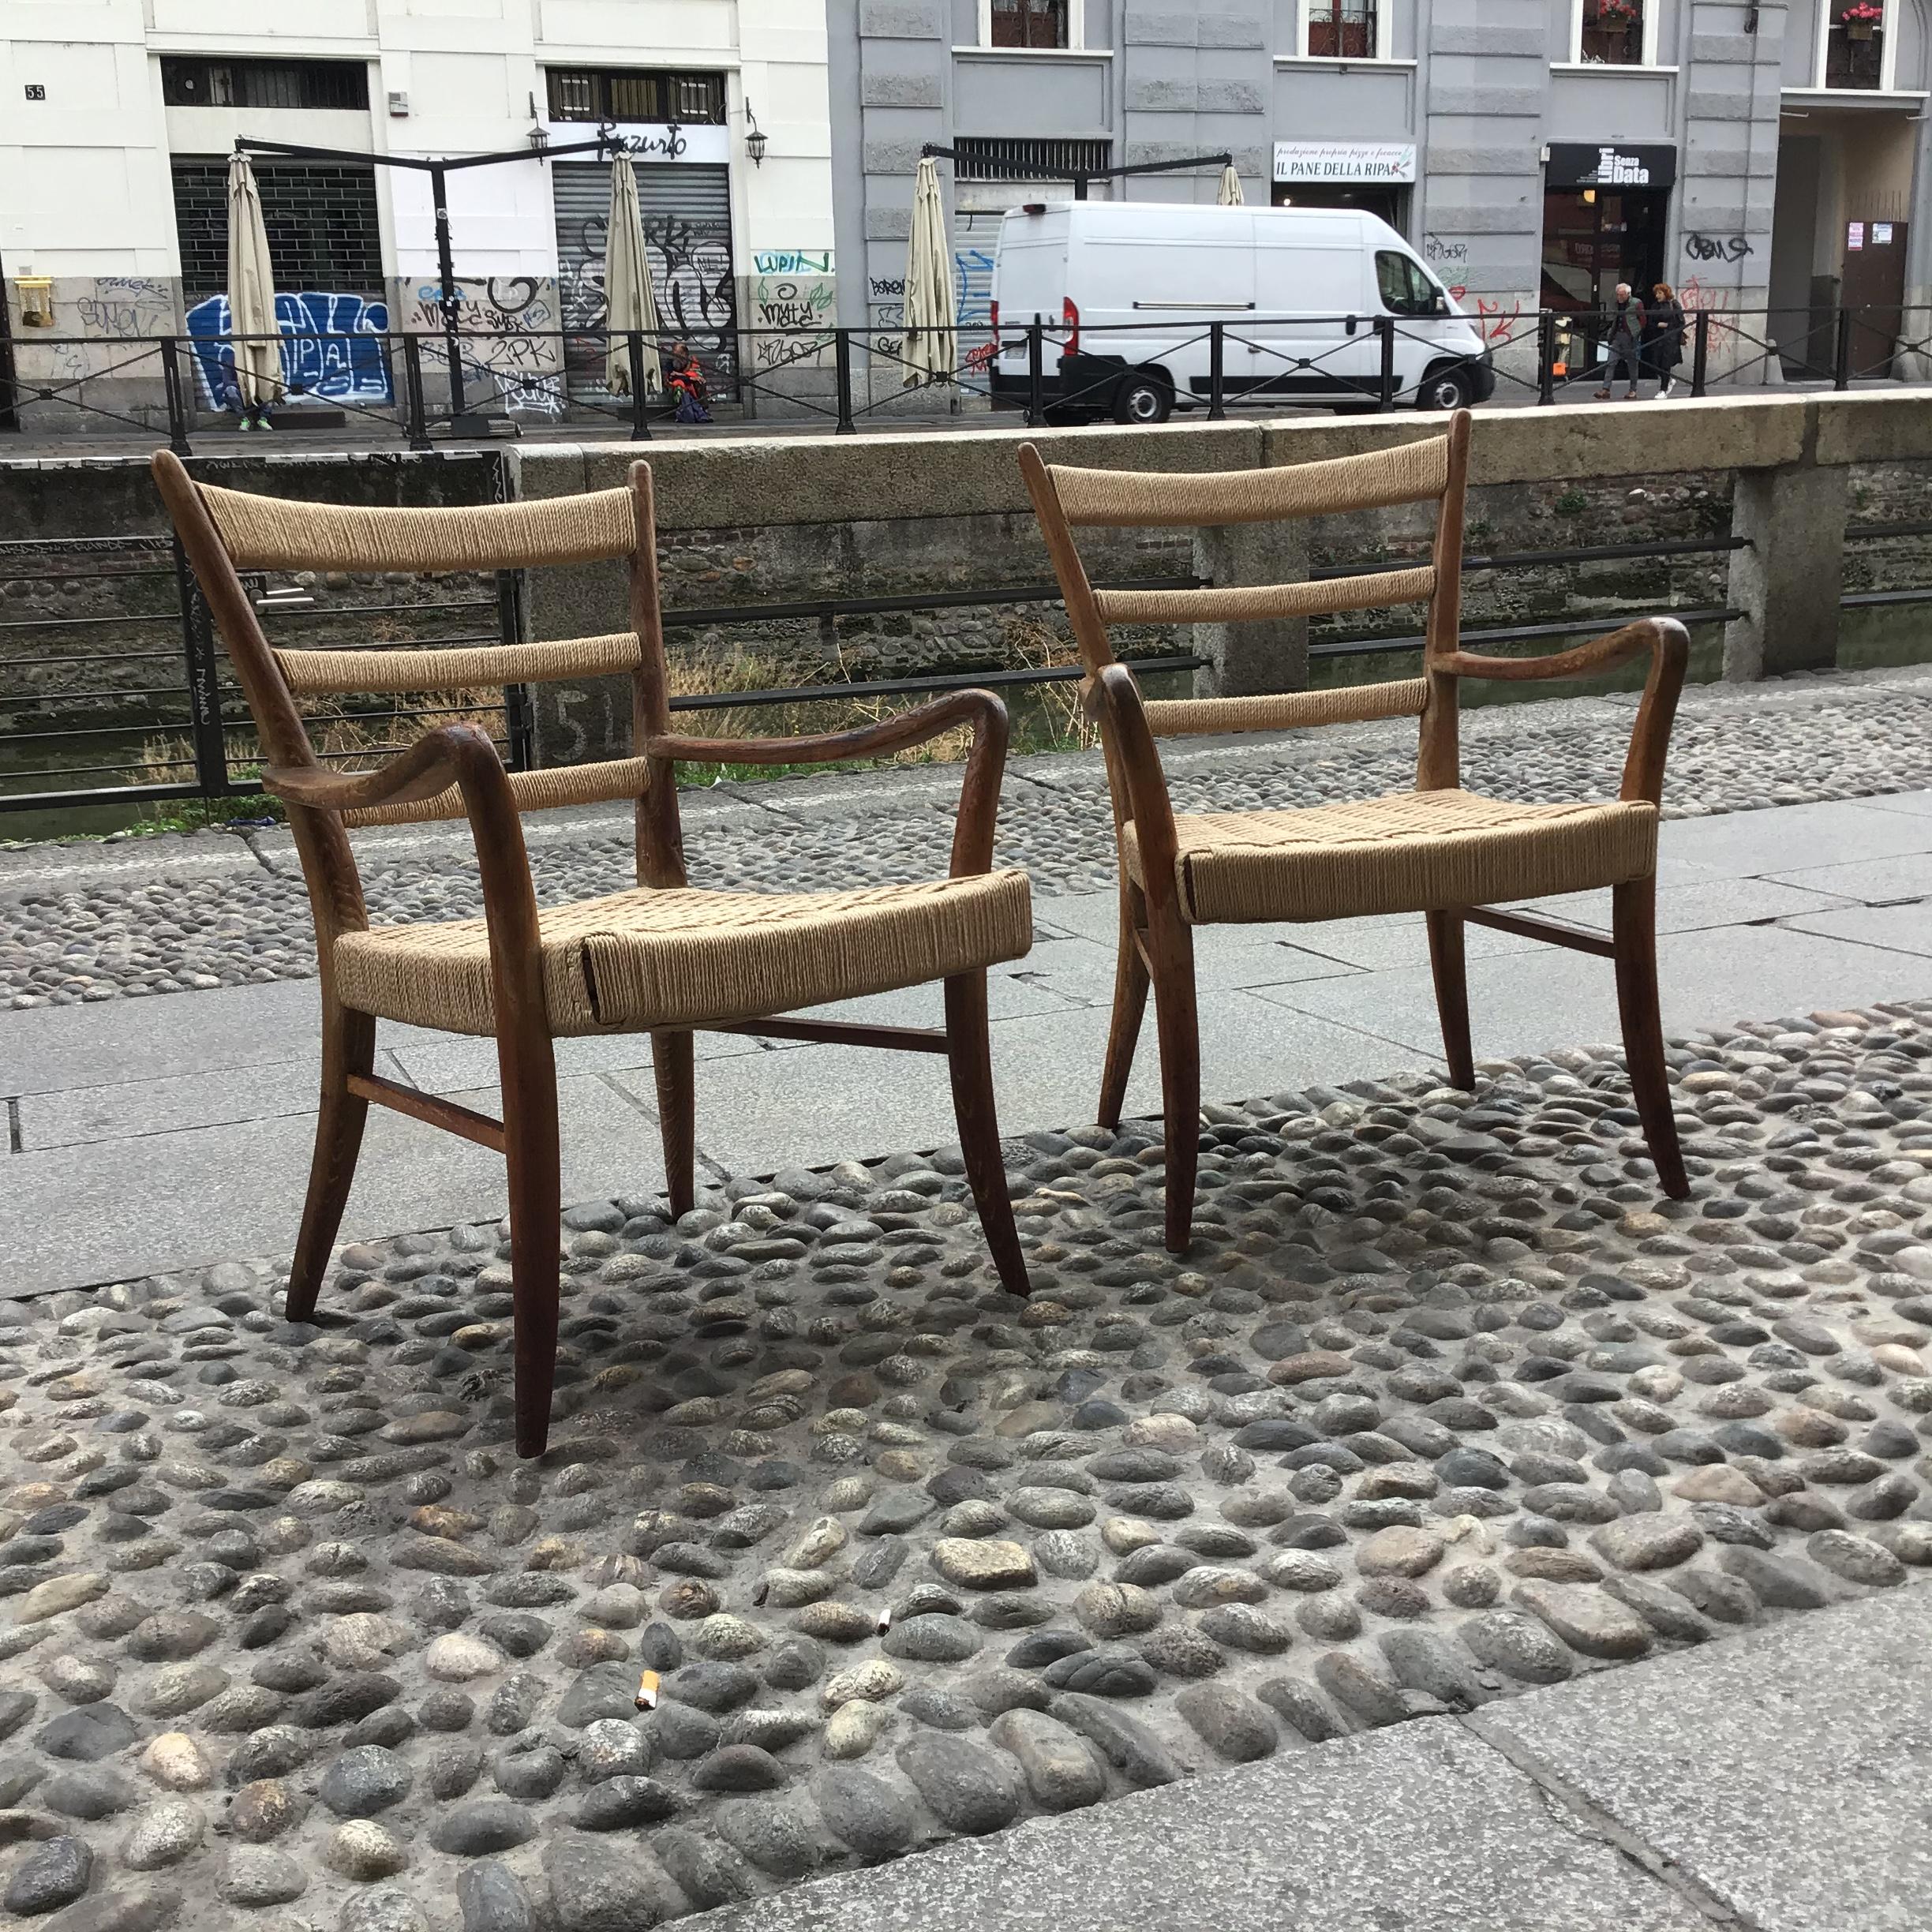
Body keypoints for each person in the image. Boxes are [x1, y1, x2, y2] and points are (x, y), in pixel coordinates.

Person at [1596, 282, 1646, 401]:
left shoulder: (1636, 303)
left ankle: (1633, 390)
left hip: (1629, 336)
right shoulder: (1617, 304)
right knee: (1611, 362)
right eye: (1618, 294)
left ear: (1628, 294)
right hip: (1617, 336)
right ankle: (1606, 389)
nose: (1619, 297)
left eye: (1622, 295)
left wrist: (1635, 332)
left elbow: (1643, 320)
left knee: (1632, 364)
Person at [1645, 283, 1687, 399]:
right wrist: (1658, 325)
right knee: (1654, 364)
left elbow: (1681, 322)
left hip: (1670, 340)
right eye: (1656, 293)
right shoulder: (1655, 306)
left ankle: (1663, 390)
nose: (1657, 296)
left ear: (1666, 293)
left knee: (1665, 364)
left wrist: (1668, 326)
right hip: (1657, 338)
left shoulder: (1674, 304)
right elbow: (1650, 322)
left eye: (1660, 293)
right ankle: (1668, 380)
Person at [667, 343, 713, 424]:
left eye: (678, 353)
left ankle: (699, 412)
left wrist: (683, 376)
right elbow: (672, 377)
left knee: (699, 383)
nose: (675, 355)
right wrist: (689, 378)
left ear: (684, 354)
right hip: (677, 389)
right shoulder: (670, 363)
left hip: (692, 388)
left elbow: (697, 375)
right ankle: (696, 414)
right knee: (680, 385)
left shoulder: (692, 362)